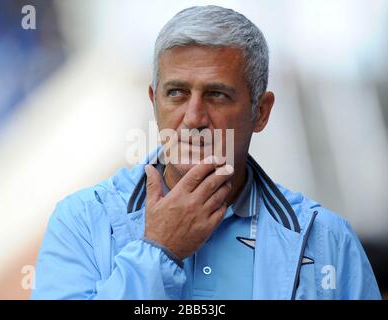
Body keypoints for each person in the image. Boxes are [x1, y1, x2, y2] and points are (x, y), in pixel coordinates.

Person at [31, 5, 381, 300]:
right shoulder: (80, 223)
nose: (194, 118)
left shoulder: (329, 242)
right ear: (154, 102)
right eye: (177, 94)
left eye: (217, 95)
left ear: (261, 112)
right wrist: (157, 251)